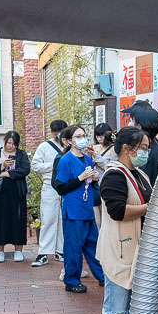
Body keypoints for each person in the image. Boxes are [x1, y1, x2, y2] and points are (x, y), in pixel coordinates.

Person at [97, 126, 153, 314]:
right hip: (118, 251)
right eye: (143, 147)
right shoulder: (114, 175)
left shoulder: (139, 174)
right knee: (114, 311)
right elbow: (117, 211)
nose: (146, 152)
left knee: (132, 310)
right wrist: (150, 208)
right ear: (128, 149)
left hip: (138, 252)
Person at [53, 125, 104, 294]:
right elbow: (61, 187)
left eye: (83, 135)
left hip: (87, 208)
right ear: (68, 141)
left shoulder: (87, 159)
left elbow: (89, 182)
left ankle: (102, 275)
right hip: (73, 210)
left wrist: (94, 178)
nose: (82, 139)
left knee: (93, 245)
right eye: (78, 136)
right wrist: (80, 178)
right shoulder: (65, 160)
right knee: (74, 247)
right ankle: (71, 280)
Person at [0, 131, 31, 262]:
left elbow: (25, 170)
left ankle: (18, 250)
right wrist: (2, 166)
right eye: (9, 143)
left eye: (14, 144)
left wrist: (6, 174)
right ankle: (0, 252)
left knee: (18, 219)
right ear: (4, 141)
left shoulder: (21, 155)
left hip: (17, 192)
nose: (11, 146)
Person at [29, 119, 69, 267]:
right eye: (56, 132)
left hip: (67, 186)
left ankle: (60, 251)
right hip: (50, 185)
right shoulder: (44, 146)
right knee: (48, 218)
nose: (59, 135)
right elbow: (35, 166)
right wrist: (53, 165)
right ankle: (43, 253)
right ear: (52, 132)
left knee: (63, 219)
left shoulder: (69, 146)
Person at [123, 102, 158, 184]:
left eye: (131, 120)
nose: (128, 124)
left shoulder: (156, 154)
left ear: (139, 127)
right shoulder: (141, 150)